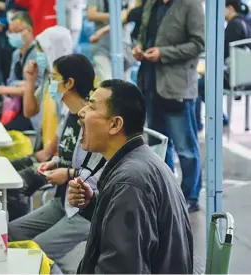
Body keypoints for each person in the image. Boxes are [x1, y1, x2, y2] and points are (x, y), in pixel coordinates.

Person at [69, 79, 193, 274]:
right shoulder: (139, 161)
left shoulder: (130, 183)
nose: (81, 112)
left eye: (91, 107)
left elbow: (120, 269)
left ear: (115, 124)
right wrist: (92, 204)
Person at [8, 54, 105, 274]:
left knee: (35, 252)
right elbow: (67, 155)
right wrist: (53, 164)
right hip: (63, 201)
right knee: (11, 232)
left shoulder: (92, 121)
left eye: (53, 78)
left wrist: (69, 173)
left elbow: (100, 171)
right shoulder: (68, 114)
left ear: (69, 83)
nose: (51, 83)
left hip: (86, 208)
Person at [133, 0, 205, 212]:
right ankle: (164, 191)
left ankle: (190, 195)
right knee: (157, 145)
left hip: (177, 86)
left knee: (185, 146)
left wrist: (164, 53)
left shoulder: (190, 5)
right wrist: (140, 48)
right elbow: (143, 35)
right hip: (150, 84)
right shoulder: (151, 5)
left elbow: (198, 43)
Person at [6, 26, 73, 221]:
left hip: (56, 159)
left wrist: (49, 151)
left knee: (15, 185)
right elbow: (29, 110)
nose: (39, 55)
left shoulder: (69, 83)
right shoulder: (48, 80)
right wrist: (30, 79)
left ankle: (16, 231)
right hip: (44, 153)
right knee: (6, 169)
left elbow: (68, 122)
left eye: (43, 50)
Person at [195, 0, 250, 131]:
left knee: (196, 87)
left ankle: (198, 125)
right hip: (246, 77)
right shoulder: (247, 22)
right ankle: (221, 116)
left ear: (230, 8)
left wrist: (206, 70)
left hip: (232, 77)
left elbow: (221, 56)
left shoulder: (233, 26)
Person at [0, 11, 41, 132]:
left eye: (17, 31)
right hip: (16, 108)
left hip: (31, 113)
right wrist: (20, 85)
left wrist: (2, 90)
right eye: (11, 32)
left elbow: (36, 88)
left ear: (29, 31)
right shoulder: (16, 54)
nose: (13, 35)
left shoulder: (37, 55)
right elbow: (11, 82)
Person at [86, 0, 136, 81]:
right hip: (101, 46)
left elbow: (130, 13)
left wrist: (102, 31)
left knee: (124, 84)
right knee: (106, 82)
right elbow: (91, 14)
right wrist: (116, 15)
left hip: (125, 45)